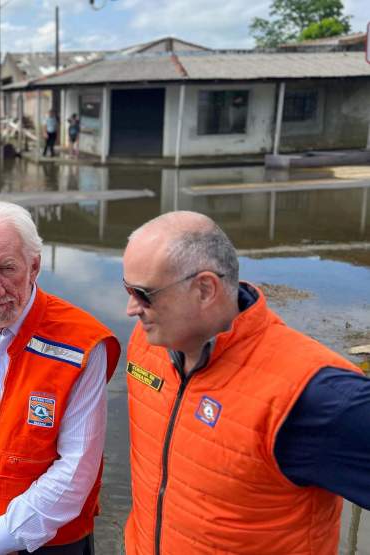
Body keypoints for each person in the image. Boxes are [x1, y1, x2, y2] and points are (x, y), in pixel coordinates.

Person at [121, 211, 370, 555]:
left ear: (205, 289)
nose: (131, 309)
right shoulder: (148, 344)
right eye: (126, 289)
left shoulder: (312, 392)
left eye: (143, 293)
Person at [0, 202, 121, 555]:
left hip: (52, 541)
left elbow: (78, 466)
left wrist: (0, 535)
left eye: (7, 269)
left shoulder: (80, 344)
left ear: (35, 266)